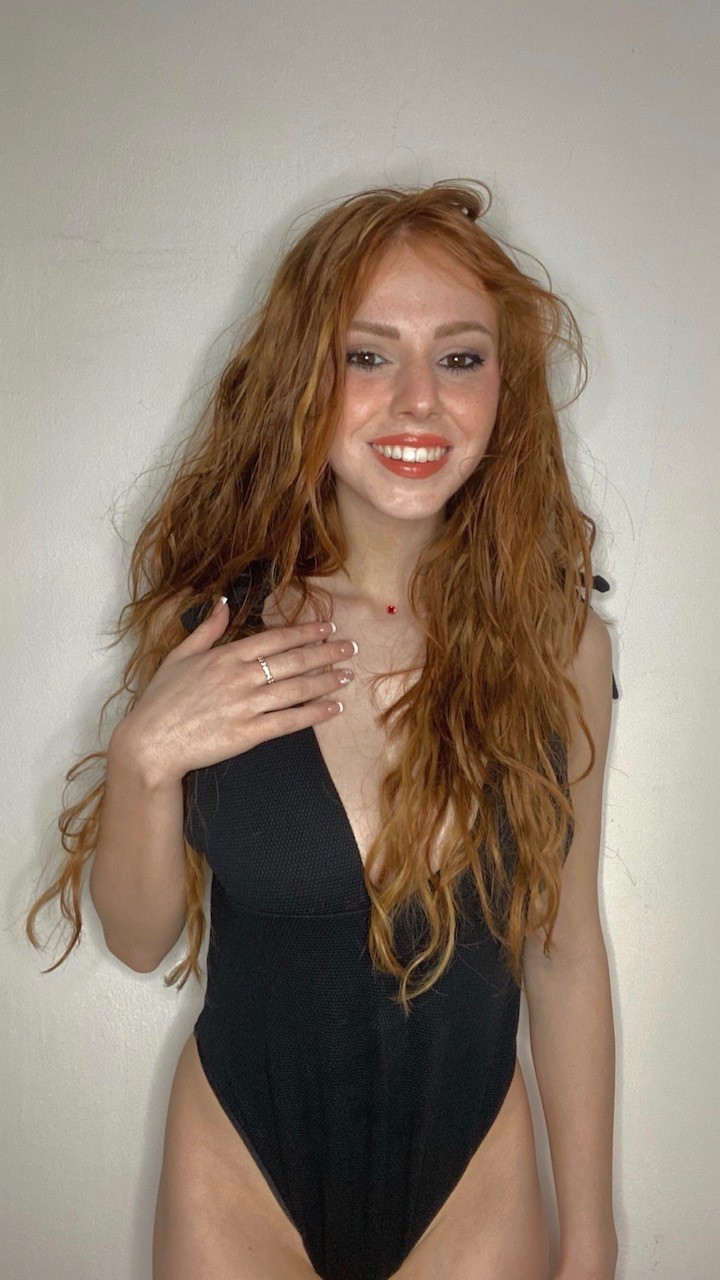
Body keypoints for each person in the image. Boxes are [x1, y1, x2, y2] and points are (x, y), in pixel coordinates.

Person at [26, 180, 619, 1280]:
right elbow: (141, 938)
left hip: (475, 1186)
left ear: (506, 386)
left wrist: (590, 1236)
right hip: (240, 1175)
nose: (418, 402)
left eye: (459, 357)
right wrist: (144, 759)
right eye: (367, 355)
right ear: (307, 373)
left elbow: (564, 945)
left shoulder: (560, 644)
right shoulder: (210, 627)